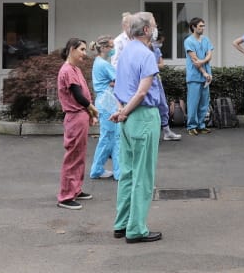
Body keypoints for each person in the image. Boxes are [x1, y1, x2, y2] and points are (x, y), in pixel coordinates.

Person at [110, 12, 165, 243]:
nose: (155, 29)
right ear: (145, 30)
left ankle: (121, 224)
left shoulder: (125, 52)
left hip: (127, 120)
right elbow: (142, 92)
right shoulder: (146, 54)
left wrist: (121, 111)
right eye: (153, 25)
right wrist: (125, 111)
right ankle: (136, 229)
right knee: (143, 175)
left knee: (128, 173)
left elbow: (119, 87)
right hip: (142, 117)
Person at [56, 38, 99, 210]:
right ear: (72, 49)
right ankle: (65, 196)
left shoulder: (75, 69)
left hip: (80, 117)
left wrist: (89, 113)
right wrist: (93, 110)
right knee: (73, 157)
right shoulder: (67, 70)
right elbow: (79, 97)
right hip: (75, 117)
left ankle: (75, 189)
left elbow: (83, 95)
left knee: (79, 155)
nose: (84, 53)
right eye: (81, 49)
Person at [88, 36, 119, 180]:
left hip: (104, 100)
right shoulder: (104, 64)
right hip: (108, 102)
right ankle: (112, 171)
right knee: (111, 138)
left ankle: (100, 169)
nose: (113, 49)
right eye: (111, 46)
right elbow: (118, 80)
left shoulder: (98, 62)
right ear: (105, 48)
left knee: (109, 137)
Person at [184, 17, 214, 136]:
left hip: (206, 76)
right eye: (200, 26)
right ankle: (192, 126)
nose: (203, 28)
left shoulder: (206, 40)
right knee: (193, 102)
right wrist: (203, 71)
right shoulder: (188, 41)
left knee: (204, 103)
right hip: (195, 77)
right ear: (193, 27)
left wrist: (202, 62)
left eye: (203, 26)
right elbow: (194, 59)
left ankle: (201, 125)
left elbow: (209, 55)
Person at [153, 33, 182, 141]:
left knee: (162, 104)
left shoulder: (156, 50)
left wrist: (151, 65)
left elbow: (162, 64)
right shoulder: (145, 50)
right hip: (147, 79)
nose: (161, 44)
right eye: (160, 42)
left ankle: (167, 131)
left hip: (156, 78)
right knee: (150, 106)